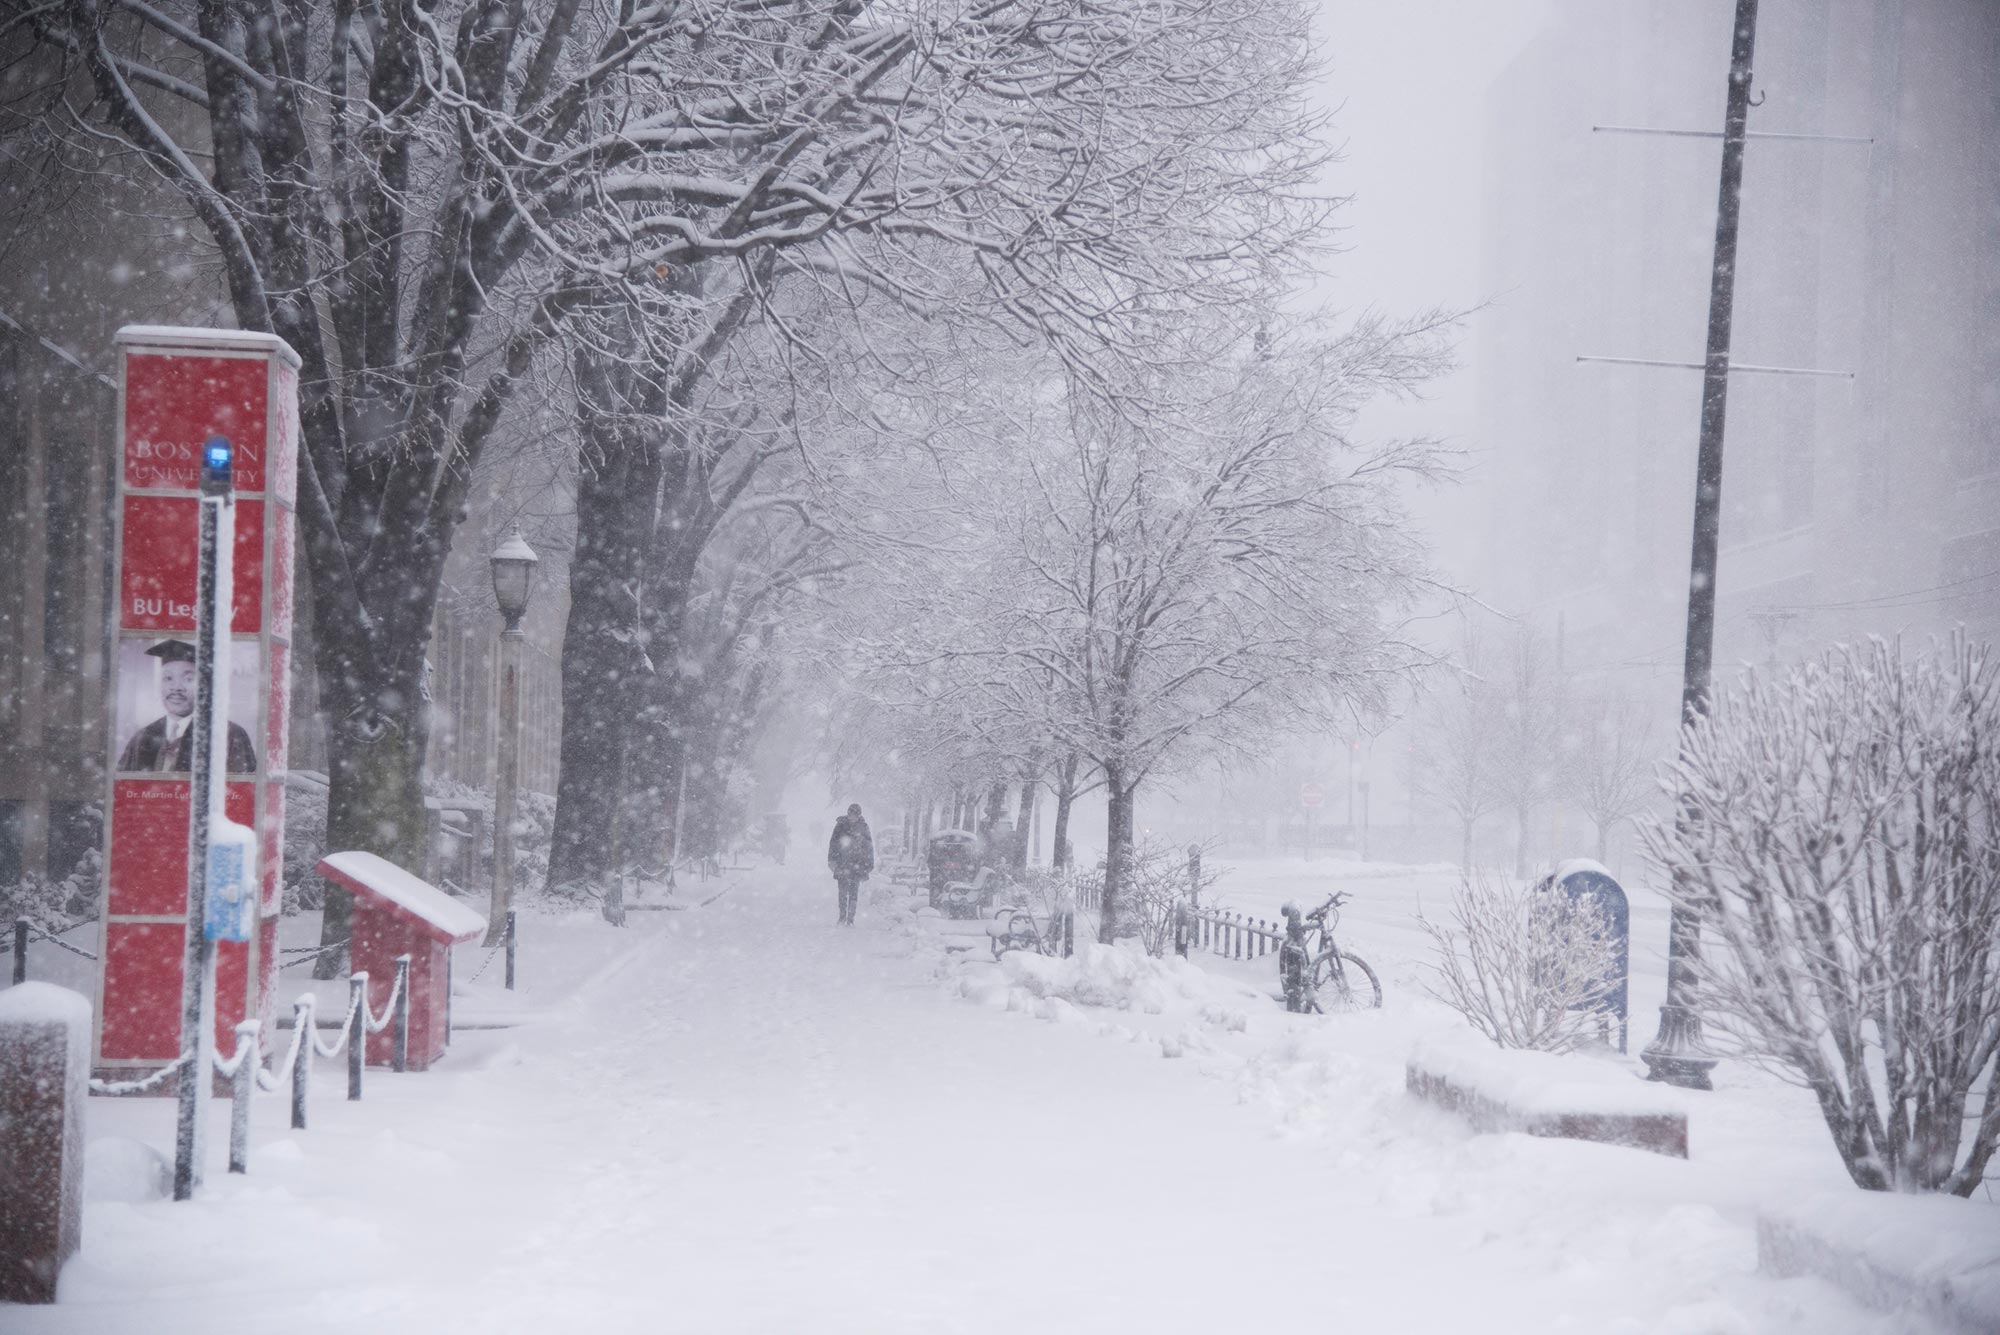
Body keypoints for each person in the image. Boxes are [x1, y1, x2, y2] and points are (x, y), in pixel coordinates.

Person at [117, 639, 258, 774]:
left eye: (188, 679)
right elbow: (125, 790)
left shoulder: (228, 735)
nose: (176, 688)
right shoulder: (143, 738)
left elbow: (239, 794)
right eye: (168, 678)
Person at [826, 803, 875, 926]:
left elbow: (869, 847)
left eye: (853, 814)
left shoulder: (863, 827)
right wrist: (832, 860)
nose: (851, 816)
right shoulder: (840, 826)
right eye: (849, 814)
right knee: (842, 892)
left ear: (858, 815)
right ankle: (842, 917)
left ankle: (851, 919)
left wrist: (869, 864)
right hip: (842, 863)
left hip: (857, 865)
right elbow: (833, 844)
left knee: (854, 892)